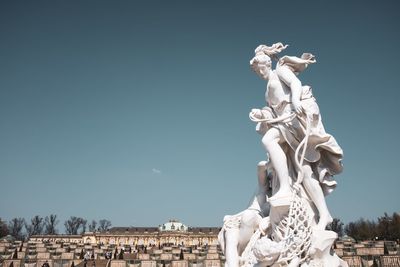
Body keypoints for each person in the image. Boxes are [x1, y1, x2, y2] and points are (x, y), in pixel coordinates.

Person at [249, 42, 343, 230]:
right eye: (256, 71)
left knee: (268, 140)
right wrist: (262, 113)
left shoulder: (279, 71)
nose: (259, 73)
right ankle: (324, 214)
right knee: (305, 172)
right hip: (283, 122)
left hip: (293, 120)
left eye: (260, 68)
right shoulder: (267, 89)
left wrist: (294, 99)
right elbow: (273, 111)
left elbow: (295, 83)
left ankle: (285, 186)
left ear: (267, 64)